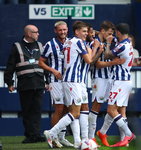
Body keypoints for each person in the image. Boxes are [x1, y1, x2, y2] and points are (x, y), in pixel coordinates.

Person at [43, 21, 92, 149]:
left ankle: (78, 140)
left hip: (68, 80)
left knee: (72, 111)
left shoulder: (68, 42)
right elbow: (89, 61)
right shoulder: (78, 42)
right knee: (74, 113)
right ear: (76, 31)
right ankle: (52, 133)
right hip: (73, 80)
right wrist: (94, 49)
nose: (86, 34)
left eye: (87, 31)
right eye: (84, 31)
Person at [4, 24, 46, 143]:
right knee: (27, 110)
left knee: (37, 109)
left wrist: (48, 81)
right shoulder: (17, 47)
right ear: (29, 34)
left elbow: (45, 65)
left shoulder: (40, 46)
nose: (38, 34)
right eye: (36, 32)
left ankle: (36, 134)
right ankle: (30, 135)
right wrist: (9, 82)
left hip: (39, 83)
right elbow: (10, 66)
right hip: (25, 84)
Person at [96, 23, 136, 147]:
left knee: (111, 110)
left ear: (118, 32)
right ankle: (104, 133)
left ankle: (128, 134)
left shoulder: (121, 46)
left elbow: (108, 55)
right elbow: (114, 40)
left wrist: (107, 44)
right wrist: (107, 37)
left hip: (119, 81)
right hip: (126, 81)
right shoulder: (128, 43)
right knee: (120, 110)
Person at [88, 21, 126, 146]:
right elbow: (97, 64)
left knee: (113, 107)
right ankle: (91, 137)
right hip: (98, 78)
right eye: (109, 33)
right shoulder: (94, 43)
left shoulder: (112, 41)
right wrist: (113, 62)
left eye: (112, 34)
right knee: (96, 107)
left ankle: (103, 132)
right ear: (103, 31)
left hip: (111, 78)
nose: (111, 36)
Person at [38, 21, 74, 148]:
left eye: (64, 30)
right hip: (55, 81)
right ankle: (52, 137)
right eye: (60, 30)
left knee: (68, 109)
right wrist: (53, 70)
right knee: (59, 108)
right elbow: (41, 62)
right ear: (55, 31)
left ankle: (61, 137)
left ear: (67, 29)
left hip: (70, 81)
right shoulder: (49, 44)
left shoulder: (72, 42)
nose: (62, 32)